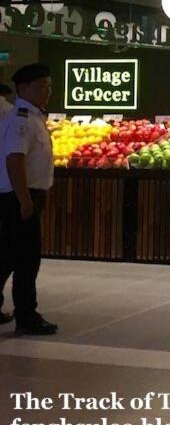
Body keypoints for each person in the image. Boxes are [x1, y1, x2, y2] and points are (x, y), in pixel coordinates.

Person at [0, 63, 58, 334]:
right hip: (19, 196)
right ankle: (27, 314)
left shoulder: (33, 116)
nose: (47, 91)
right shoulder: (22, 119)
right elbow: (14, 161)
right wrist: (25, 200)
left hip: (25, 194)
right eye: (41, 86)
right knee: (26, 257)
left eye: (49, 86)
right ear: (23, 89)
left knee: (9, 255)